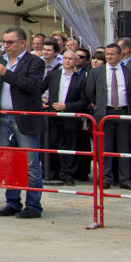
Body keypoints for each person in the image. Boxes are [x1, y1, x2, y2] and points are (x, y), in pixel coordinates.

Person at [0, 27, 49, 219]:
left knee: (31, 163)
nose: (6, 46)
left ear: (23, 43)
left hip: (24, 116)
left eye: (10, 42)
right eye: (4, 42)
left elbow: (32, 86)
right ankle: (12, 201)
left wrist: (6, 73)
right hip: (3, 115)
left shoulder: (35, 62)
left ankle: (33, 205)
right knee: (7, 162)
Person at [41, 45, 89, 185]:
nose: (67, 61)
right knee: (51, 144)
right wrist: (41, 101)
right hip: (53, 116)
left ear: (75, 62)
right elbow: (40, 89)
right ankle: (51, 172)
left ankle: (67, 174)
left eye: (70, 59)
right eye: (65, 58)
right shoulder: (53, 75)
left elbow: (84, 101)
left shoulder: (81, 79)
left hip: (70, 118)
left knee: (69, 146)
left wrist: (67, 106)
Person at [92, 41, 131, 190]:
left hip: (124, 112)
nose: (109, 57)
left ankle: (125, 179)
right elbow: (90, 92)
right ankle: (106, 178)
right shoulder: (97, 72)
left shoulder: (129, 71)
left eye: (112, 54)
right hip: (105, 113)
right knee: (106, 147)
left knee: (124, 147)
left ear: (120, 55)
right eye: (107, 54)